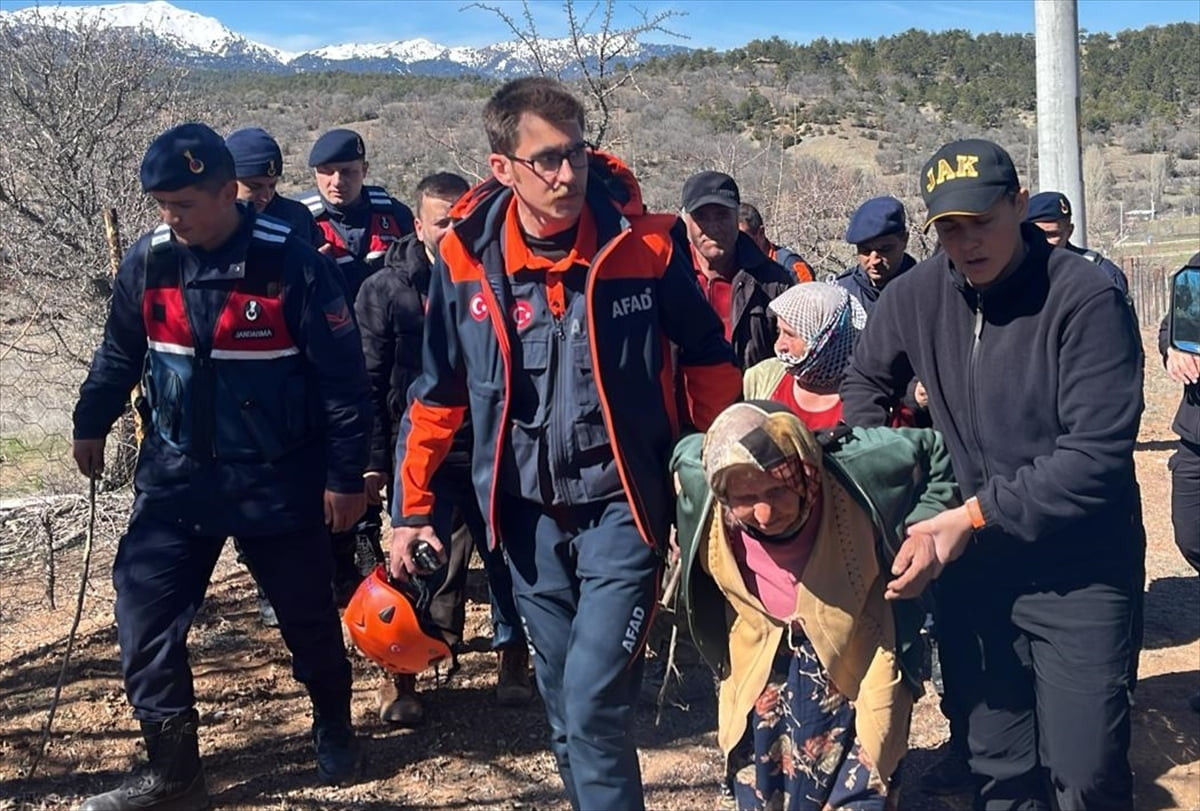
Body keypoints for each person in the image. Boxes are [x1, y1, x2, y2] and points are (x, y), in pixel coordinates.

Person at [388, 77, 742, 811]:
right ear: (502, 168)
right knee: (561, 703)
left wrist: (719, 464)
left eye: (574, 154)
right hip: (524, 518)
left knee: (591, 701)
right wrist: (410, 506)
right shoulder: (463, 259)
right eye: (545, 159)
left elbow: (707, 350)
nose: (566, 173)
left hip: (623, 509)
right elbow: (438, 393)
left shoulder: (641, 245)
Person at [70, 123, 370, 809]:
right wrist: (92, 419)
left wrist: (347, 477)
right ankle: (176, 772)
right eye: (161, 205)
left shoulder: (290, 260)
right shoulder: (149, 260)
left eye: (184, 204)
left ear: (228, 191)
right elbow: (119, 351)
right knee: (143, 616)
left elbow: (343, 382)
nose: (170, 218)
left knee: (305, 617)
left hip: (277, 479)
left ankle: (334, 720)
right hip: (178, 476)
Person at [841, 138, 1144, 810]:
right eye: (950, 228)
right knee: (997, 767)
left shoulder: (1084, 297)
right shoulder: (916, 294)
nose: (968, 242)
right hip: (972, 573)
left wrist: (969, 515)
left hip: (1080, 568)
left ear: (1017, 203)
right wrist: (895, 483)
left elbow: (1094, 457)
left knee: (1084, 771)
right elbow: (865, 379)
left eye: (983, 221)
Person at [670, 400, 959, 810]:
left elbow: (936, 450)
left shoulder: (861, 463)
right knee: (764, 789)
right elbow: (679, 454)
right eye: (747, 498)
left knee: (861, 783)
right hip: (763, 659)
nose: (765, 513)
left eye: (777, 490)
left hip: (858, 648)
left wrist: (925, 529)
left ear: (805, 472)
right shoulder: (706, 478)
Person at [355, 171, 532, 724]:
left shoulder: (493, 278)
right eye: (441, 222)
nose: (452, 230)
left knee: (507, 562)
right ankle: (401, 677)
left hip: (491, 452)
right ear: (418, 225)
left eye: (461, 219)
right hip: (422, 458)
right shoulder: (385, 290)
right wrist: (372, 462)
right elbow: (368, 380)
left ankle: (513, 659)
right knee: (414, 564)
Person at [298, 128, 415, 605]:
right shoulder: (301, 220)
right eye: (326, 173)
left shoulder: (393, 214)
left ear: (364, 170)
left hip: (390, 357)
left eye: (347, 172)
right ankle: (346, 559)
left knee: (392, 452)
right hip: (328, 361)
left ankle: (396, 551)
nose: (337, 182)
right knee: (339, 459)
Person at [672, 171, 794, 370]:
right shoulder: (669, 278)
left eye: (721, 215)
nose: (712, 227)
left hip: (750, 399)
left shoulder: (774, 283)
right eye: (701, 217)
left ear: (736, 216)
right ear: (684, 220)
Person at [1160, 252, 1200, 712]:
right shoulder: (1196, 272)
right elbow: (1172, 328)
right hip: (1195, 435)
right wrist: (1174, 350)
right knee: (1191, 536)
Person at [743, 282, 866, 429]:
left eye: (790, 335)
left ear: (825, 341)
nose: (779, 345)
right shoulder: (761, 377)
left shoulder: (865, 396)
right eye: (778, 331)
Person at [225, 126, 324, 248]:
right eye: (255, 187)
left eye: (272, 186)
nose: (266, 197)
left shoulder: (297, 217)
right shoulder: (210, 225)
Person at [1025, 191, 1129, 293]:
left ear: (1069, 232)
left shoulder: (1100, 272)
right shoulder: (1015, 272)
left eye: (1052, 234)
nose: (1044, 241)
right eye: (1037, 233)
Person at [835, 196, 917, 316]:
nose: (874, 261)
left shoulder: (925, 289)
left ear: (904, 240)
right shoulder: (842, 295)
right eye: (866, 251)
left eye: (885, 249)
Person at [737, 202, 815, 283]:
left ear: (761, 233)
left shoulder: (792, 266)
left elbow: (810, 292)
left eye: (743, 236)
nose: (738, 243)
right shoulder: (735, 268)